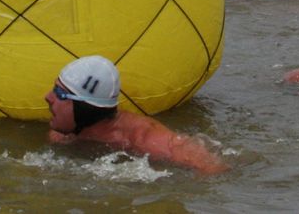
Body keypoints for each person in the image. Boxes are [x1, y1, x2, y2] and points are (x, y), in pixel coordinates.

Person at [45, 55, 228, 175]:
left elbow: (214, 169)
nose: (48, 97)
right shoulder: (62, 132)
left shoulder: (146, 140)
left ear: (84, 107)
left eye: (59, 94)